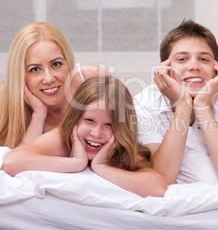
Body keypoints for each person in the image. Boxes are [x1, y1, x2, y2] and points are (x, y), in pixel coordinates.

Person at [134, 19, 218, 186]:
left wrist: (202, 107)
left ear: (216, 70)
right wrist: (182, 106)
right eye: (182, 59)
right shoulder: (144, 104)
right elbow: (160, 180)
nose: (194, 66)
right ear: (165, 69)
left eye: (204, 59)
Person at [1, 76, 167, 197]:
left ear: (121, 129)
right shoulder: (64, 137)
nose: (96, 133)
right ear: (75, 118)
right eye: (89, 120)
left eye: (109, 125)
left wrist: (101, 167)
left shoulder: (119, 149)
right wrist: (75, 162)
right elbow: (10, 162)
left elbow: (158, 188)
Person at [0, 22, 108, 149]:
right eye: (35, 69)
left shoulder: (91, 78)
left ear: (68, 61)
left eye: (56, 64)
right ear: (20, 75)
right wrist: (39, 115)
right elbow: (16, 161)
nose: (49, 78)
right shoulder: (7, 101)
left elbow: (129, 133)